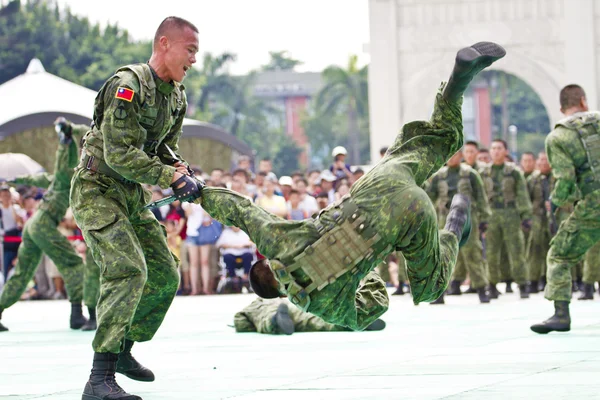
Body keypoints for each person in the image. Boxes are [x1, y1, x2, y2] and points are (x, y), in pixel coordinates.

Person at [195, 42, 506, 330]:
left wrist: (367, 270)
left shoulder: (321, 304)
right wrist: (198, 191)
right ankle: (458, 81)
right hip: (378, 184)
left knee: (431, 286)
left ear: (279, 294)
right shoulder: (279, 242)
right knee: (438, 141)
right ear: (265, 262)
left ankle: (454, 228)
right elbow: (241, 210)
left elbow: (371, 309)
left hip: (411, 217)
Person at [70, 16, 202, 400]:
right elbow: (119, 153)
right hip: (97, 187)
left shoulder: (176, 96)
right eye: (190, 50)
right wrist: (169, 175)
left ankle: (123, 347)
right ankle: (99, 380)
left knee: (164, 273)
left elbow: (162, 148)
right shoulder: (127, 86)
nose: (193, 60)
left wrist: (180, 169)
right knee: (128, 268)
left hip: (130, 193)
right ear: (164, 44)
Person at [0, 118, 90, 333]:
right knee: (74, 264)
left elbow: (39, 179)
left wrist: (14, 179)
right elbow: (65, 158)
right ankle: (76, 313)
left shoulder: (61, 178)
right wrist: (66, 138)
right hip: (43, 224)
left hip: (34, 224)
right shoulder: (67, 174)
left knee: (23, 273)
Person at [531, 84, 600, 334]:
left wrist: (557, 202)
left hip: (593, 205)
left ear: (561, 109)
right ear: (583, 101)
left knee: (559, 256)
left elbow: (566, 179)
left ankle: (561, 315)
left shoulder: (558, 137)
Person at [234, 296, 385, 335]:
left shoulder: (257, 303)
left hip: (271, 304)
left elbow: (240, 322)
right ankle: (349, 322)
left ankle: (273, 321)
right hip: (295, 305)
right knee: (313, 320)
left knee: (262, 313)